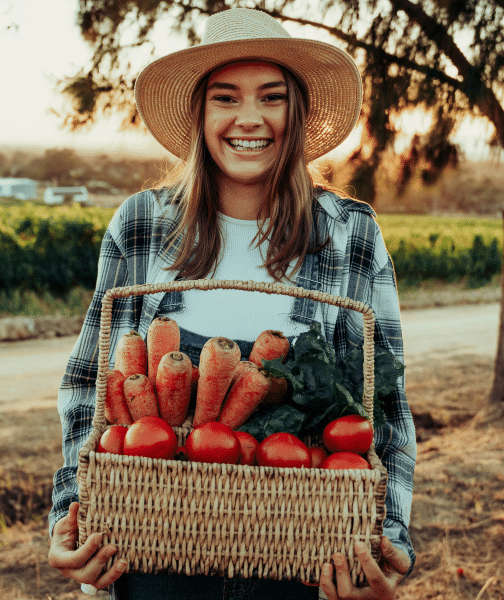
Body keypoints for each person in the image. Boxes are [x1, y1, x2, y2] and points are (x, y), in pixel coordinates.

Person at [46, 8, 417, 599]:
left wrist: (387, 537)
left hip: (298, 557)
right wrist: (73, 512)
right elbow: (89, 383)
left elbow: (386, 407)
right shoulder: (142, 224)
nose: (250, 119)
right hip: (149, 552)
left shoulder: (350, 232)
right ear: (200, 114)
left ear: (295, 114)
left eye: (271, 97)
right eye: (226, 97)